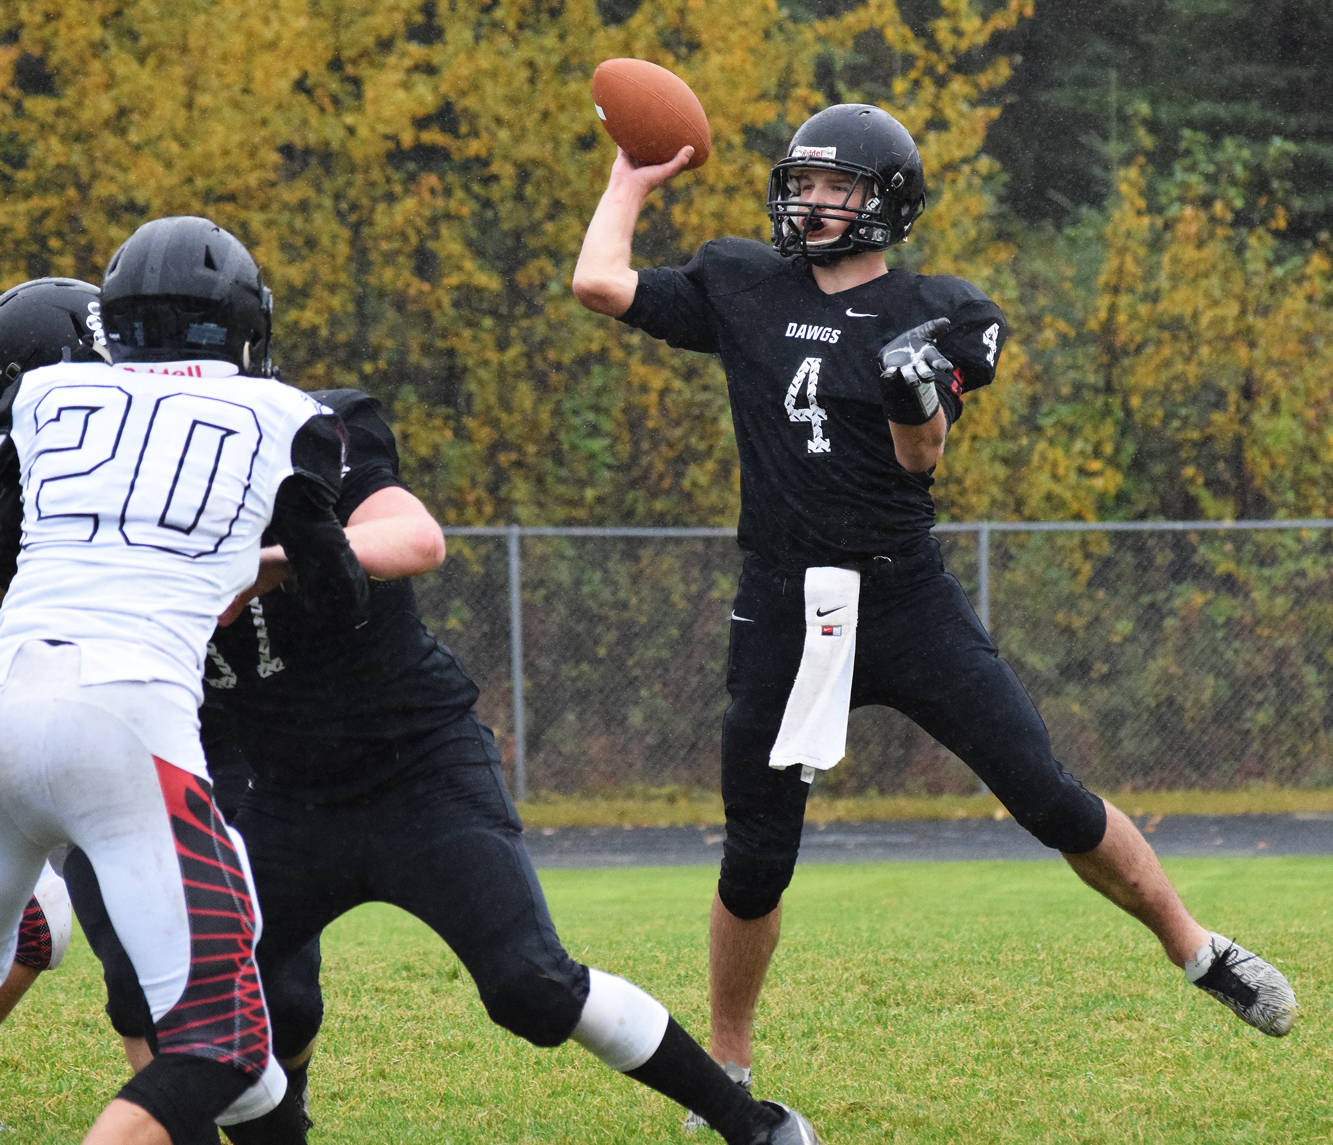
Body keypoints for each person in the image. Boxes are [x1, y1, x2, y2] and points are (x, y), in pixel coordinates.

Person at [571, 102, 1298, 1112]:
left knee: (1048, 794)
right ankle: (727, 1071)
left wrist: (915, 400)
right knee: (754, 857)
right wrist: (631, 175)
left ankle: (1199, 949)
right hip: (784, 603)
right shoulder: (742, 283)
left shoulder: (938, 310)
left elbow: (922, 458)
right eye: (805, 184)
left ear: (886, 202)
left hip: (901, 598)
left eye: (838, 188)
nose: (814, 203)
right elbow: (597, 282)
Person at [60, 382, 822, 1144]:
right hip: (286, 798)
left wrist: (272, 560)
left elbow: (417, 539)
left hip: (417, 771)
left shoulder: (305, 429)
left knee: (532, 985)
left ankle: (753, 1127)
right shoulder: (108, 496)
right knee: (222, 1012)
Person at [0, 221, 371, 1145]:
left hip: (8, 696)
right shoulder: (286, 415)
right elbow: (339, 595)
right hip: (126, 725)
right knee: (229, 1045)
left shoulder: (43, 394)